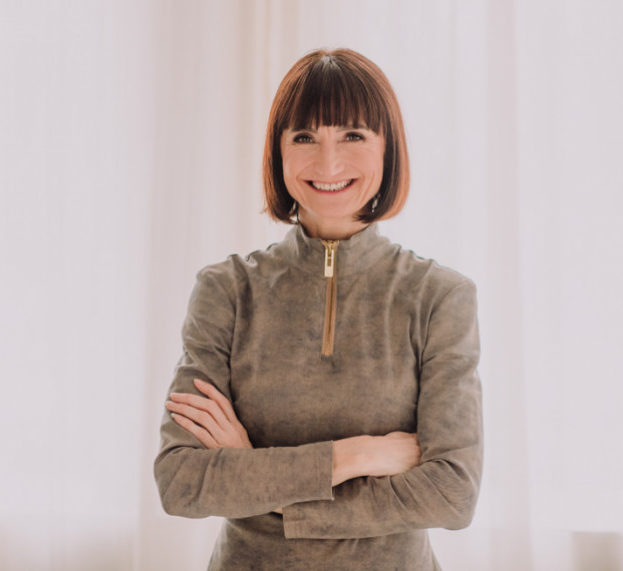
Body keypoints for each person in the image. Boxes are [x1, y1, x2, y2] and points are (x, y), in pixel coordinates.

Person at [154, 48, 483, 570]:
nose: (328, 164)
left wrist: (256, 475)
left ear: (388, 149)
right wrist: (358, 455)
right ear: (278, 152)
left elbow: (452, 492)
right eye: (305, 137)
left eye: (353, 135)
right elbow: (182, 481)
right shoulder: (227, 290)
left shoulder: (439, 296)